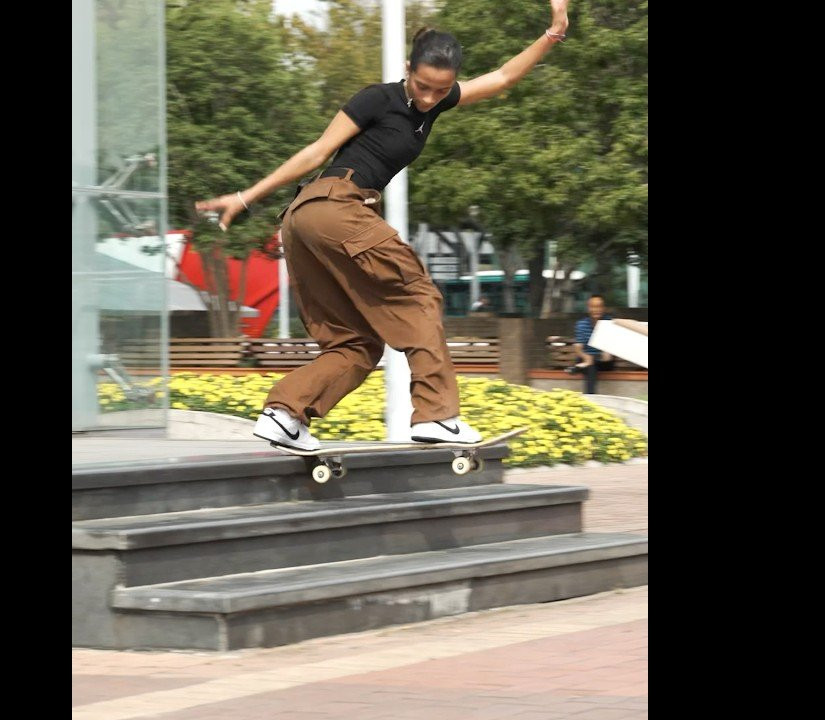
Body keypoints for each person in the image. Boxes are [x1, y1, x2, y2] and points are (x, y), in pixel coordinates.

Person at [196, 1, 570, 451]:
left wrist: (554, 31)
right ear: (407, 68)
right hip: (335, 206)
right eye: (422, 86)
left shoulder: (438, 99)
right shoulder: (378, 97)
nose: (430, 98)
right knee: (417, 296)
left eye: (441, 90)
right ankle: (437, 415)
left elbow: (504, 77)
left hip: (309, 225)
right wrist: (245, 196)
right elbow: (317, 153)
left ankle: (286, 414)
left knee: (357, 344)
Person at [565, 294, 616, 394]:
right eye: (593, 306)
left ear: (603, 308)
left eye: (599, 306)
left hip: (603, 360)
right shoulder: (581, 324)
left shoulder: (609, 322)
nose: (596, 309)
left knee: (591, 365)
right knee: (591, 367)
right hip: (585, 358)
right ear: (589, 308)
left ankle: (579, 367)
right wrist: (586, 357)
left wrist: (607, 353)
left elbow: (609, 351)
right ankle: (591, 396)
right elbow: (578, 348)